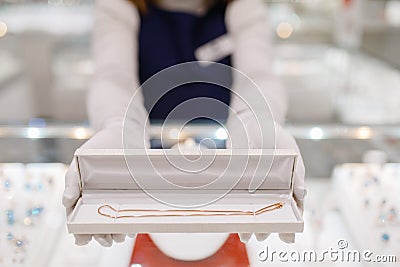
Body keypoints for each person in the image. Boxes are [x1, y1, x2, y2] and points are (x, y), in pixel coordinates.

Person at [62, 0, 306, 247]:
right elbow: (113, 77)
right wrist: (117, 128)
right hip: (145, 174)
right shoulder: (121, 6)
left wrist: (258, 124)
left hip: (232, 174)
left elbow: (258, 75)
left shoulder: (242, 6)